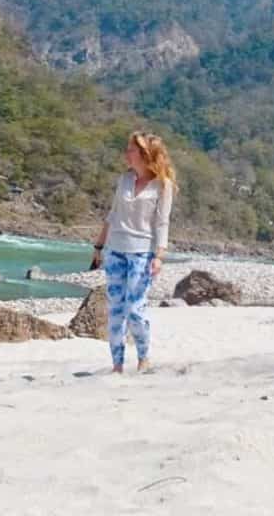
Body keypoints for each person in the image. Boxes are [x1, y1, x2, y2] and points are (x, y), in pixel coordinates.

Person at [91, 131, 176, 374]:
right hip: (115, 251)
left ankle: (143, 358)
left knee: (135, 310)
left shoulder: (163, 185)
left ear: (145, 154)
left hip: (142, 254)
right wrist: (98, 247)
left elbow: (162, 223)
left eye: (132, 150)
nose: (126, 153)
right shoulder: (124, 179)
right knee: (116, 311)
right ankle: (117, 365)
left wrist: (159, 256)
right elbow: (112, 214)